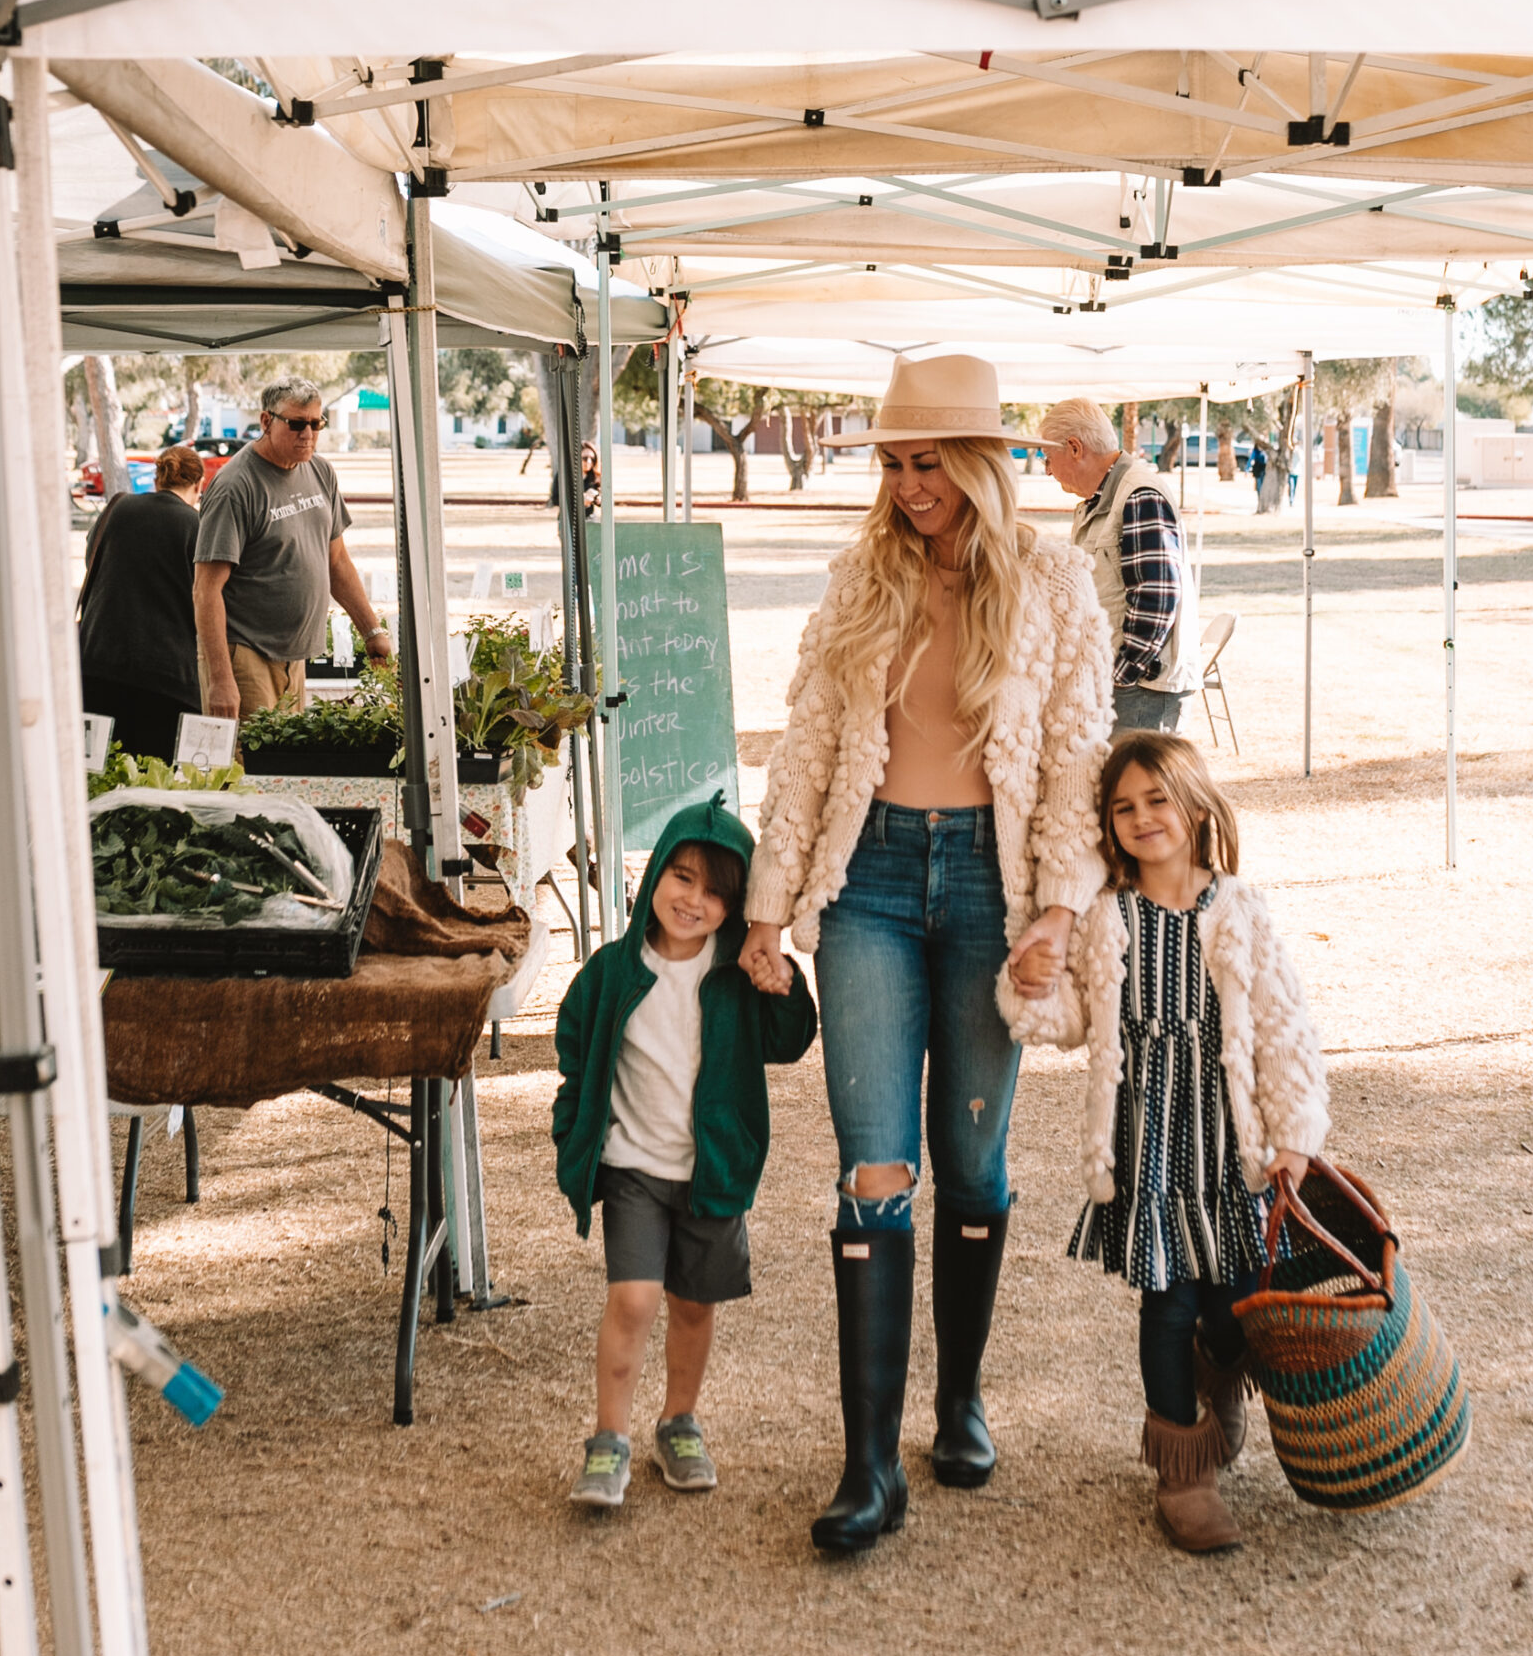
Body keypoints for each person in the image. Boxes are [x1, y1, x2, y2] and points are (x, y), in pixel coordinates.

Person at [738, 352, 1113, 1553]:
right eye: (895, 464)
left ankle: (957, 1401)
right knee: (872, 1165)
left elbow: (1075, 756)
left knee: (973, 1158)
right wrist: (764, 904)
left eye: (928, 464)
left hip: (992, 889)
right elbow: (806, 748)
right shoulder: (860, 579)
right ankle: (865, 1464)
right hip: (871, 885)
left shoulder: (1055, 583)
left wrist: (1058, 905)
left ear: (984, 464)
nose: (909, 487)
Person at [1002, 733, 1330, 1555]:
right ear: (1107, 829)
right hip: (1148, 1145)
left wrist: (1294, 1135)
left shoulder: (1239, 911)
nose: (1142, 818)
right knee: (1167, 1298)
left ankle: (1213, 1368)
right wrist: (1025, 984)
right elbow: (1069, 1017)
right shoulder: (1106, 919)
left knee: (1231, 1301)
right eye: (1123, 808)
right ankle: (1182, 1470)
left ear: (1194, 807)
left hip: (1231, 1147)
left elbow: (1285, 1029)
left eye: (1157, 800)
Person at [553, 796, 816, 1510]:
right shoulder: (609, 973)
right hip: (634, 1169)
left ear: (736, 907)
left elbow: (789, 1042)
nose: (693, 900)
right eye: (682, 877)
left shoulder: (736, 975)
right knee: (633, 1298)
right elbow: (575, 1055)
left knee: (694, 1306)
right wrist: (570, 1135)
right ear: (653, 876)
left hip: (713, 1174)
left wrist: (783, 980)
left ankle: (678, 1421)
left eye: (716, 892)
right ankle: (608, 1440)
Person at [192, 377, 392, 723]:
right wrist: (221, 679)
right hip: (245, 654)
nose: (308, 434)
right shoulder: (235, 488)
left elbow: (337, 562)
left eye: (317, 424)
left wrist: (371, 631)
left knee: (283, 767)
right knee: (249, 768)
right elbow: (205, 590)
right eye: (297, 424)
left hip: (294, 657)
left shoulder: (320, 472)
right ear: (266, 422)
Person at [1037, 396, 1200, 739]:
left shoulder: (1139, 494)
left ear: (1075, 448)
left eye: (1048, 458)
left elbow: (1157, 597)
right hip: (1125, 686)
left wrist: (1118, 677)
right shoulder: (1103, 499)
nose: (1047, 469)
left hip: (1140, 691)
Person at [77, 444, 208, 762]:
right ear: (198, 485)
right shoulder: (197, 527)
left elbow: (91, 559)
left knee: (98, 774)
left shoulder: (118, 509)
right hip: (167, 678)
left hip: (98, 666)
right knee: (150, 783)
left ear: (157, 478)